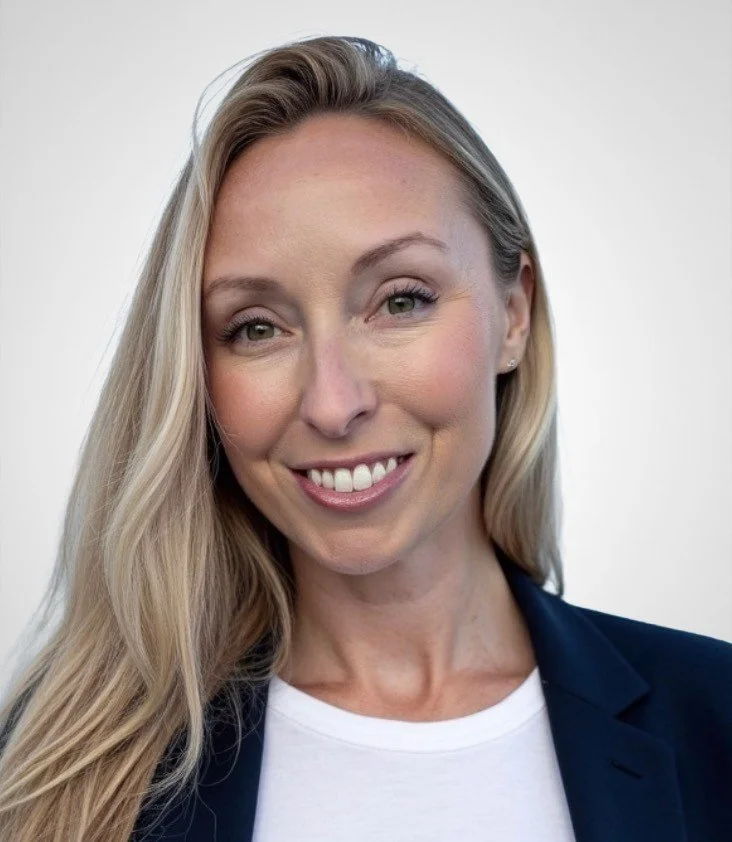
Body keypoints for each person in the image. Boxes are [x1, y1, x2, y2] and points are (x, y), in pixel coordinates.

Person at [0, 34, 730, 842]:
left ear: (514, 313)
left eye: (401, 300)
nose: (332, 403)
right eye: (256, 327)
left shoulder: (717, 721)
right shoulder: (60, 782)